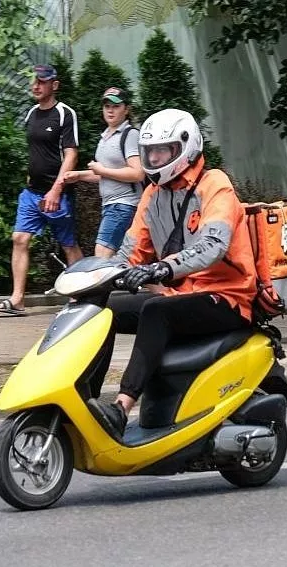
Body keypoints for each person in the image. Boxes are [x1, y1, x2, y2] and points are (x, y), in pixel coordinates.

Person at [86, 108, 259, 438]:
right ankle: (86, 401)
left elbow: (213, 245)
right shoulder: (153, 194)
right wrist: (98, 277)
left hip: (226, 296)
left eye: (162, 151)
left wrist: (163, 267)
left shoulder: (215, 184)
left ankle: (120, 407)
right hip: (180, 296)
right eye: (150, 152)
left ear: (185, 147)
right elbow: (131, 251)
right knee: (100, 311)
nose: (153, 158)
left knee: (156, 311)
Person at [0, 64, 84, 317]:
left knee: (68, 244)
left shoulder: (65, 114)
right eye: (34, 81)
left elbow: (71, 155)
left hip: (57, 194)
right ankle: (17, 300)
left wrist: (56, 190)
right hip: (31, 193)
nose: (36, 86)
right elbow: (35, 151)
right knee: (19, 238)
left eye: (42, 82)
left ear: (55, 85)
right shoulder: (31, 113)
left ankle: (80, 297)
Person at [62, 87, 145, 258]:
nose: (110, 110)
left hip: (124, 205)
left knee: (102, 254)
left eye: (116, 106)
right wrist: (79, 175)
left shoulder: (130, 135)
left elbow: (137, 173)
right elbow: (105, 176)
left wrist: (102, 170)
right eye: (107, 106)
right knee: (126, 258)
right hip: (110, 206)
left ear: (126, 109)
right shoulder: (105, 137)